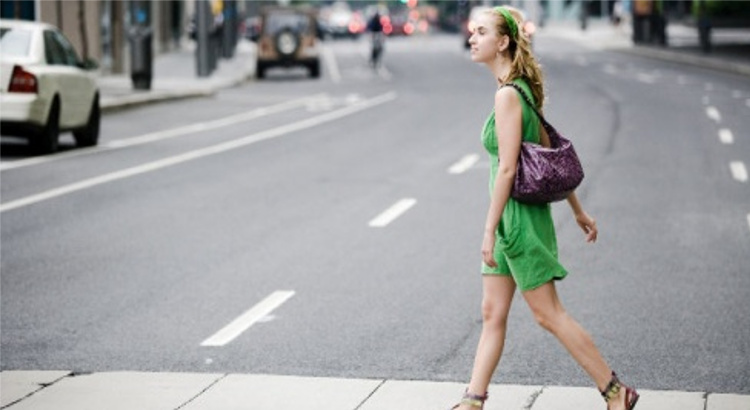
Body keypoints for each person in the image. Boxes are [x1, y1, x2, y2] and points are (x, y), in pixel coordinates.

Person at [451, 6, 639, 410]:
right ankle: (473, 400)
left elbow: (507, 169)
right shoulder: (517, 88)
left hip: (515, 219)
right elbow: (547, 154)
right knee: (492, 311)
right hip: (511, 218)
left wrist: (489, 228)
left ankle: (614, 391)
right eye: (472, 31)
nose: (472, 38)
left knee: (548, 313)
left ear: (502, 42)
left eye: (480, 32)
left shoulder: (508, 94)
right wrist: (576, 209)